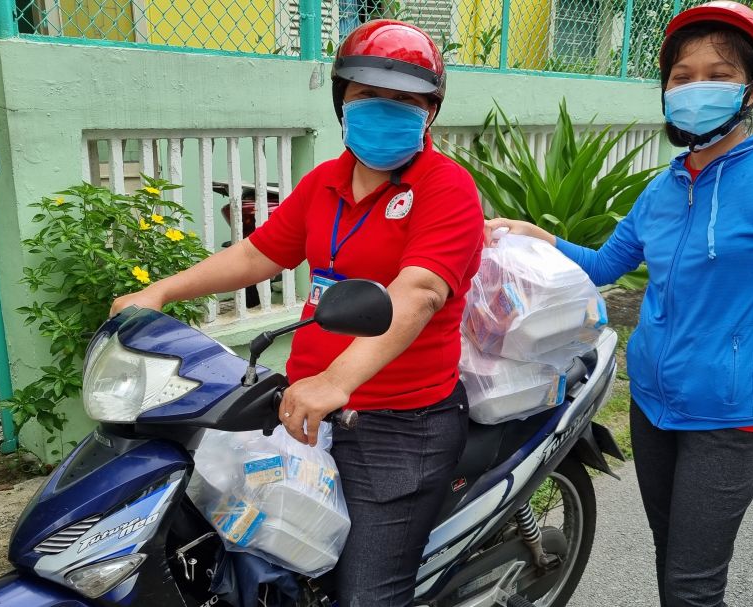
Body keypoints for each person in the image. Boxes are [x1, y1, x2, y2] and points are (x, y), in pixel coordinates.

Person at [110, 20, 484, 606]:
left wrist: (336, 380)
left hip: (400, 423)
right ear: (342, 102)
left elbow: (419, 293)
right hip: (305, 405)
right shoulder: (324, 182)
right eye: (368, 94)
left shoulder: (446, 187)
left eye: (404, 99)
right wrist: (160, 292)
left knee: (365, 596)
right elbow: (257, 254)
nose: (384, 108)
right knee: (251, 556)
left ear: (430, 111)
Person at [486, 3, 753, 605]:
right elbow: (606, 264)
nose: (696, 88)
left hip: (727, 413)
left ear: (752, 89)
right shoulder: (663, 187)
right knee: (669, 554)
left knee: (693, 585)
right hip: (651, 403)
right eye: (682, 76)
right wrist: (537, 236)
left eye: (718, 75)